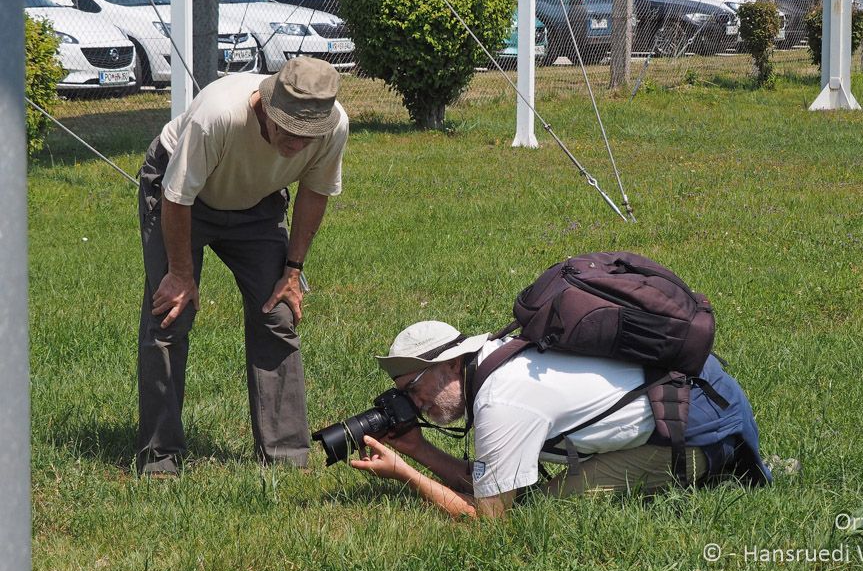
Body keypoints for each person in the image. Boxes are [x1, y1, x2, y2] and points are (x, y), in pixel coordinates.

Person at [136, 57, 349, 475]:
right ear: (267, 108)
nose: (296, 145)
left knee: (279, 315)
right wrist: (180, 274)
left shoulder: (333, 124)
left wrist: (292, 270)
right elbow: (177, 197)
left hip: (257, 204)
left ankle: (287, 457)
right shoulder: (217, 115)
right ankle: (160, 457)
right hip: (181, 198)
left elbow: (314, 192)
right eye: (289, 132)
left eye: (307, 136)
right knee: (170, 315)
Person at [350, 320, 771, 519]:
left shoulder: (502, 402)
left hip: (699, 433)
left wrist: (405, 473)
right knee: (531, 492)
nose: (414, 401)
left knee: (540, 505)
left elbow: (488, 518)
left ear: (450, 364)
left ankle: (722, 466)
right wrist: (418, 448)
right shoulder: (500, 357)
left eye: (413, 387)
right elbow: (488, 482)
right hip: (699, 400)